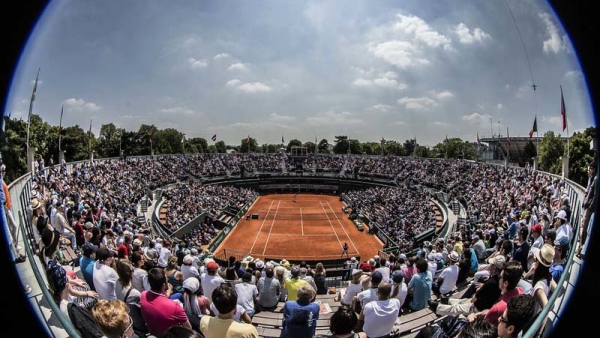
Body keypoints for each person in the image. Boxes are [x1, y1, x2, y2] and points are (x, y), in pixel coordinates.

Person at [466, 261, 524, 325]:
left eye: (500, 277)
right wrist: (483, 313)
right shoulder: (520, 291)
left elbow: (480, 327)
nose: (499, 279)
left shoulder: (497, 308)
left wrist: (471, 318)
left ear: (505, 283)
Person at [140, 268, 191, 338]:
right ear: (164, 285)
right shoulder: (175, 307)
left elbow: (158, 303)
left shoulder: (143, 295)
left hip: (154, 334)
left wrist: (168, 293)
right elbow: (188, 328)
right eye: (167, 281)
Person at [115, 258, 148, 336]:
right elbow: (144, 310)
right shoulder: (134, 293)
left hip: (129, 319)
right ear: (129, 273)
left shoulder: (117, 282)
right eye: (132, 270)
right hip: (140, 324)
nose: (133, 271)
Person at [578, 161, 597, 255]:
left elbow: (595, 195)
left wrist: (590, 206)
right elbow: (589, 192)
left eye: (590, 168)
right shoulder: (591, 179)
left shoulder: (596, 179)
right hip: (585, 205)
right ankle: (580, 245)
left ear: (593, 169)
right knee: (582, 226)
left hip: (588, 207)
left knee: (583, 227)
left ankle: (580, 247)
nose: (588, 170)